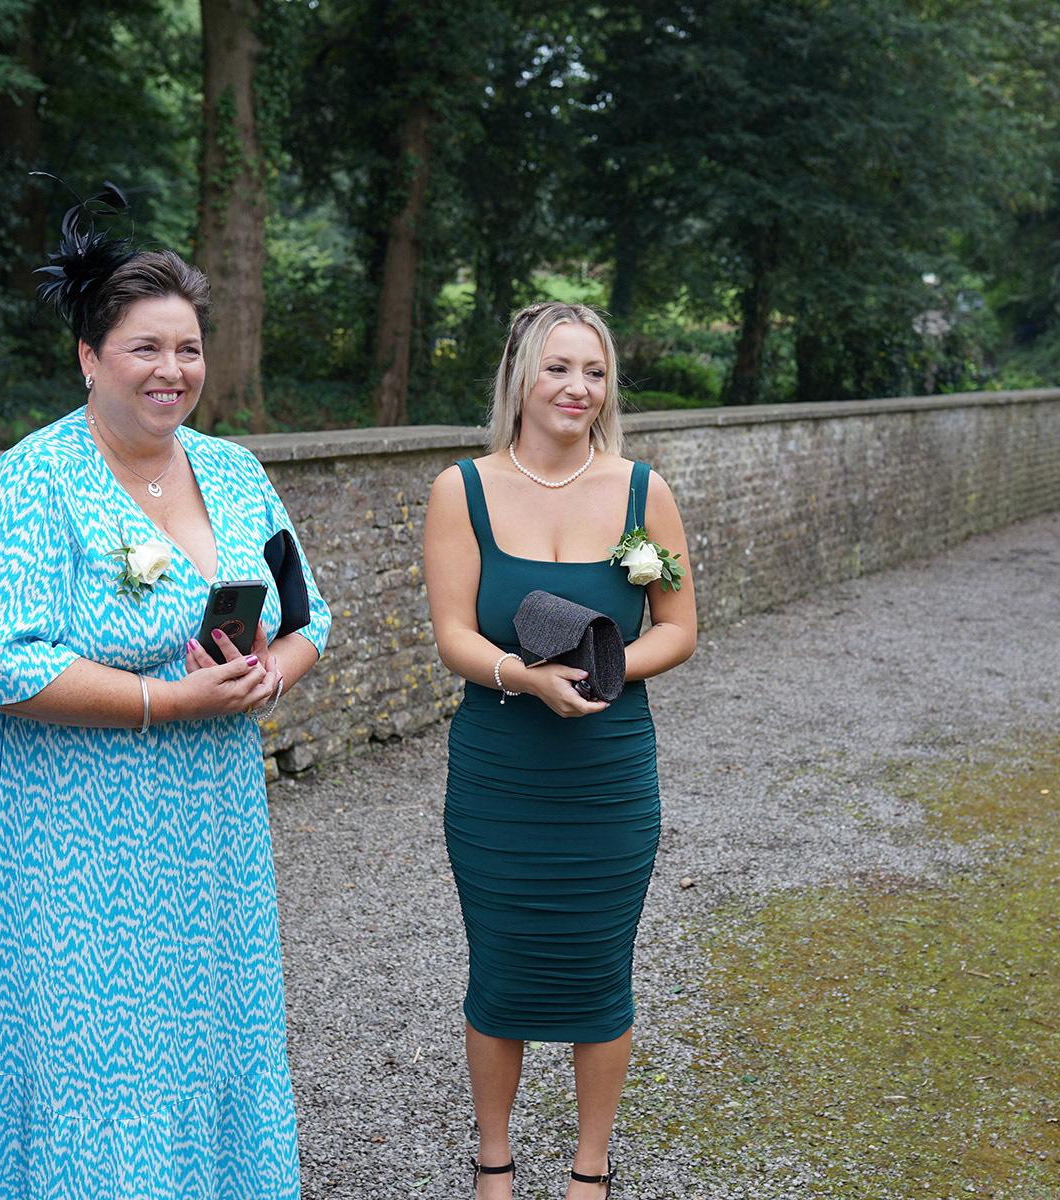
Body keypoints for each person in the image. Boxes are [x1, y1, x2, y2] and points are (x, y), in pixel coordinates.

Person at [0, 195, 330, 1199]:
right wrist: (164, 703)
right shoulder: (32, 482)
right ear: (89, 358)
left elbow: (310, 616)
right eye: (145, 348)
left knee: (200, 1037)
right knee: (86, 1054)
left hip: (209, 832)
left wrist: (271, 671)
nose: (172, 370)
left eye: (189, 348)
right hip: (72, 840)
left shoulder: (235, 473)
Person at [422, 302, 697, 1200]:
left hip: (607, 774)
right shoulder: (461, 490)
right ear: (519, 376)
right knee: (499, 968)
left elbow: (679, 628)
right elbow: (454, 636)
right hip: (500, 770)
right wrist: (524, 676)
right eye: (559, 368)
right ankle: (493, 1164)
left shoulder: (643, 490)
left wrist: (606, 670)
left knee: (598, 969)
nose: (579, 388)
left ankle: (590, 1169)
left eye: (596, 371)